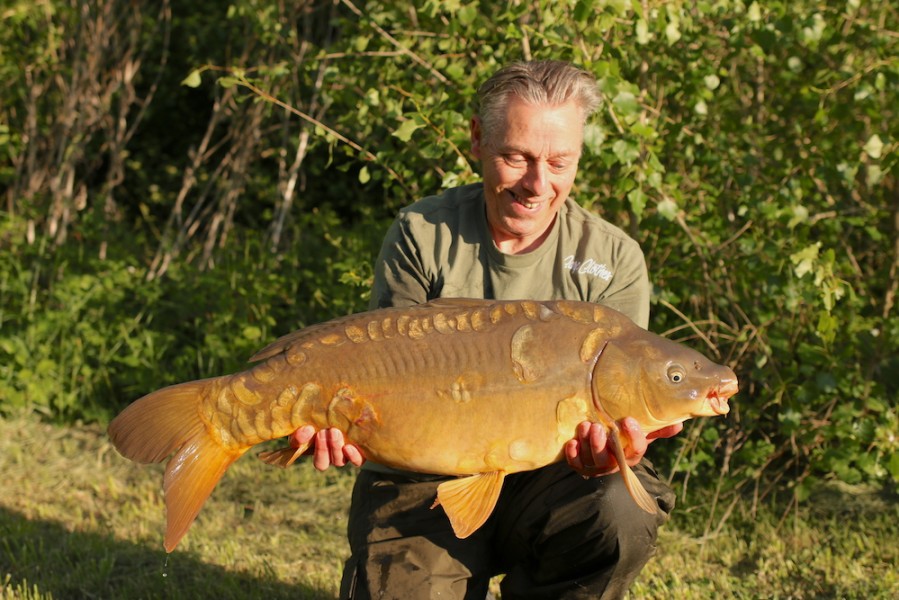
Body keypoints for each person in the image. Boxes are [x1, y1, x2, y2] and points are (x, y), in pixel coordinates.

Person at [289, 60, 682, 599]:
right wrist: (336, 420)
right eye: (515, 157)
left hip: (553, 483)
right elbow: (376, 380)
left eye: (559, 162)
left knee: (619, 510)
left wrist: (620, 450)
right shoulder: (423, 233)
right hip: (423, 480)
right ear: (477, 138)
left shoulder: (611, 258)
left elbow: (620, 413)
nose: (537, 184)